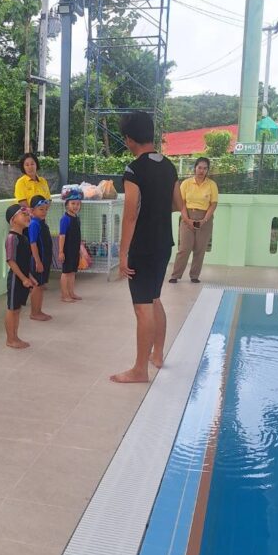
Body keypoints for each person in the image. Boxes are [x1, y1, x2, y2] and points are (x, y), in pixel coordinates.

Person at [111, 111, 184, 384]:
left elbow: (130, 214)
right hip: (164, 243)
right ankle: (158, 354)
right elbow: (177, 204)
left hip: (142, 246)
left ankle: (140, 370)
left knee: (142, 307)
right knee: (154, 299)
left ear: (129, 139)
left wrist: (122, 254)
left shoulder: (134, 170)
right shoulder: (169, 166)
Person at [169, 157, 218, 284]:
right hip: (187, 216)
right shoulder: (186, 183)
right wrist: (187, 219)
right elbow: (181, 203)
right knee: (184, 248)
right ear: (195, 168)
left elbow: (213, 204)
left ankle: (194, 275)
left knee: (200, 249)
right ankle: (175, 275)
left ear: (207, 170)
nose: (202, 171)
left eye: (205, 168)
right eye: (199, 167)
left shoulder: (211, 185)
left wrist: (205, 220)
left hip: (205, 219)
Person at [5, 203, 37, 348]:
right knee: (12, 309)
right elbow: (11, 261)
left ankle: (15, 337)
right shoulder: (12, 238)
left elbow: (23, 262)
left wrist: (29, 276)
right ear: (13, 220)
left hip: (22, 278)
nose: (27, 216)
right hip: (15, 279)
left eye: (28, 214)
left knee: (17, 309)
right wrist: (23, 278)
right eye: (23, 214)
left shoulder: (23, 237)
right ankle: (10, 339)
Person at [28, 195, 53, 321]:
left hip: (44, 260)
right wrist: (38, 261)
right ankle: (34, 312)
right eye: (41, 209)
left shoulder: (41, 223)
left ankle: (38, 310)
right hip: (38, 261)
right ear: (32, 210)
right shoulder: (34, 224)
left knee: (41, 286)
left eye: (45, 209)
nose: (44, 212)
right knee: (37, 286)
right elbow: (33, 244)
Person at [59, 189, 83, 302]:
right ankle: (64, 295)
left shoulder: (77, 218)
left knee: (72, 272)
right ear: (67, 205)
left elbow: (78, 236)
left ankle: (71, 292)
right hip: (67, 250)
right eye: (73, 203)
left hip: (75, 250)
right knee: (66, 272)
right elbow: (62, 236)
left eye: (78, 204)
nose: (75, 206)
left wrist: (80, 249)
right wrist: (61, 251)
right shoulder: (65, 219)